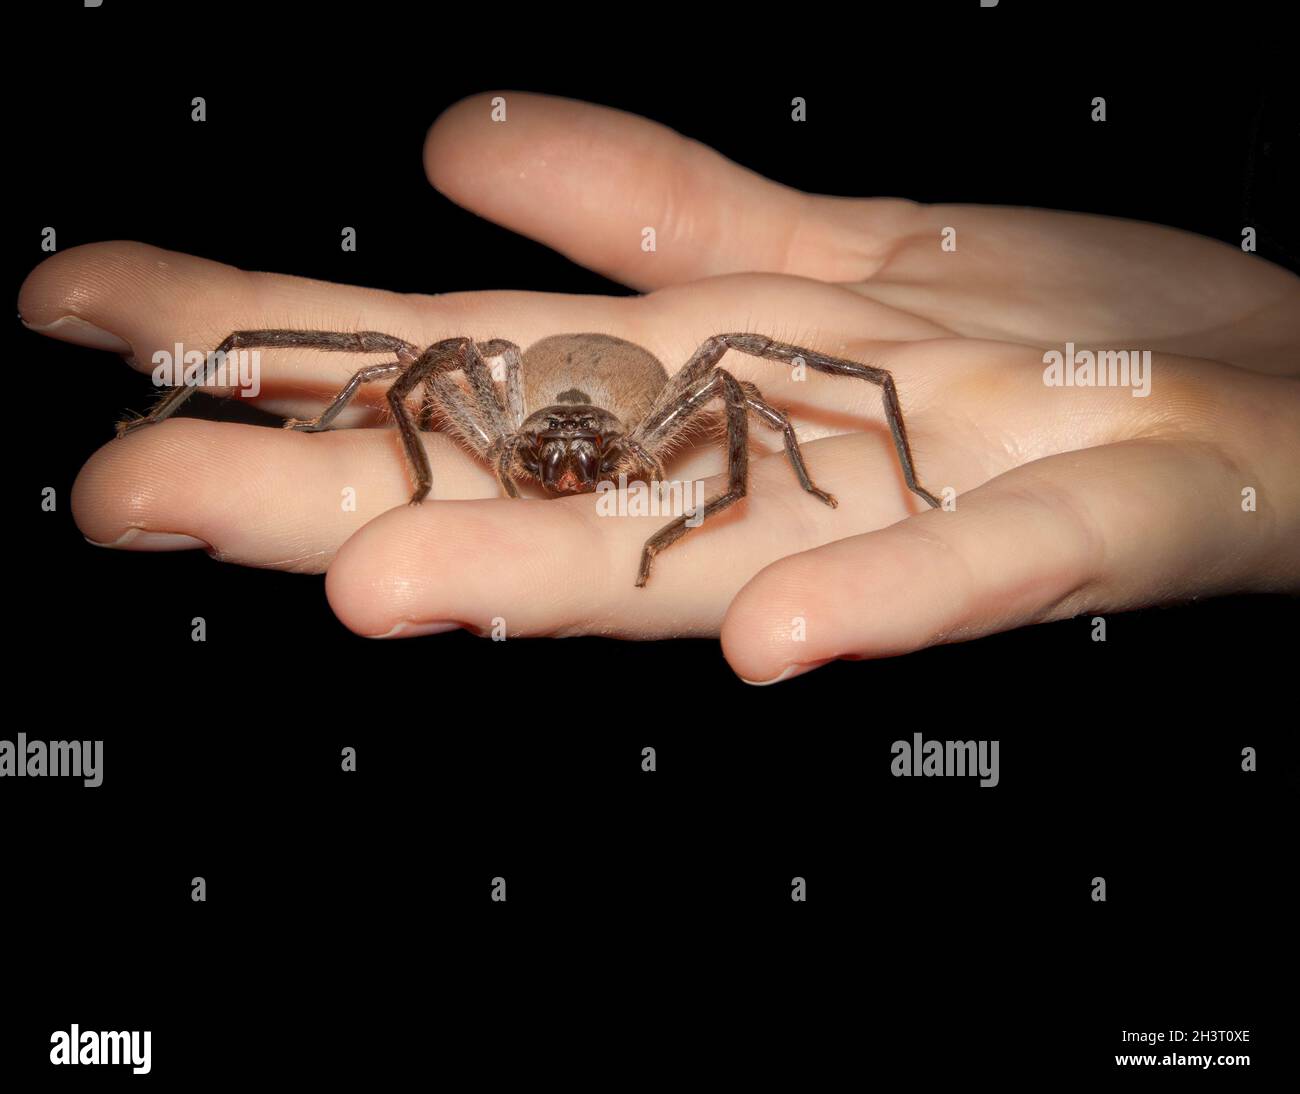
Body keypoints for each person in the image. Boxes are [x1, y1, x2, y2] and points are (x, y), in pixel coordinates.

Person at [18, 92, 1299, 684]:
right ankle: (170, 419)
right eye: (551, 460)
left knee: (762, 377)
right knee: (386, 357)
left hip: (639, 386)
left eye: (583, 467)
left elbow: (765, 385)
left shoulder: (662, 425)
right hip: (536, 383)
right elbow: (409, 371)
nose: (567, 471)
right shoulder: (502, 413)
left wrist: (711, 504)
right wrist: (404, 452)